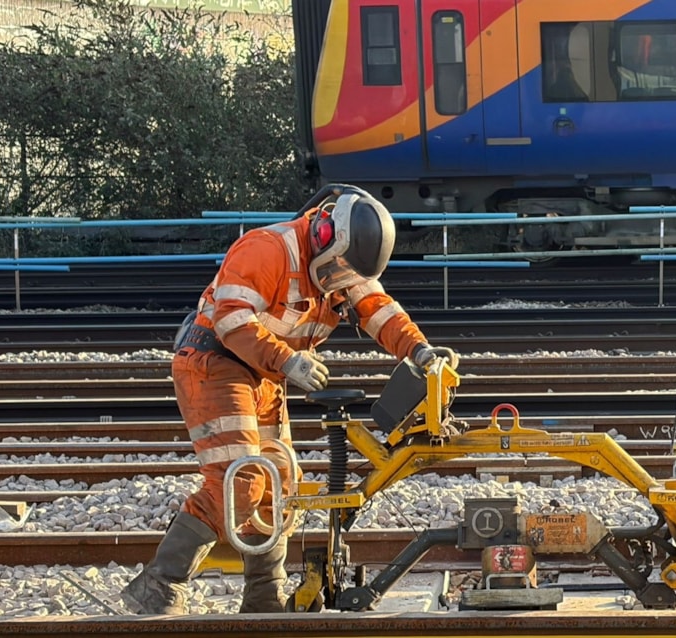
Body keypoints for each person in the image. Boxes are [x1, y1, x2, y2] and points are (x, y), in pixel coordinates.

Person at [120, 184, 459, 615]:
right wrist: (288, 360)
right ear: (322, 236)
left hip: (263, 376)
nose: (338, 283)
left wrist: (420, 350)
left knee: (279, 484)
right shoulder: (267, 250)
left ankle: (262, 593)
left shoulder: (341, 264)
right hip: (214, 364)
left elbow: (379, 309)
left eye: (347, 278)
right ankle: (159, 585)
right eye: (336, 272)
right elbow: (231, 321)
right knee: (240, 481)